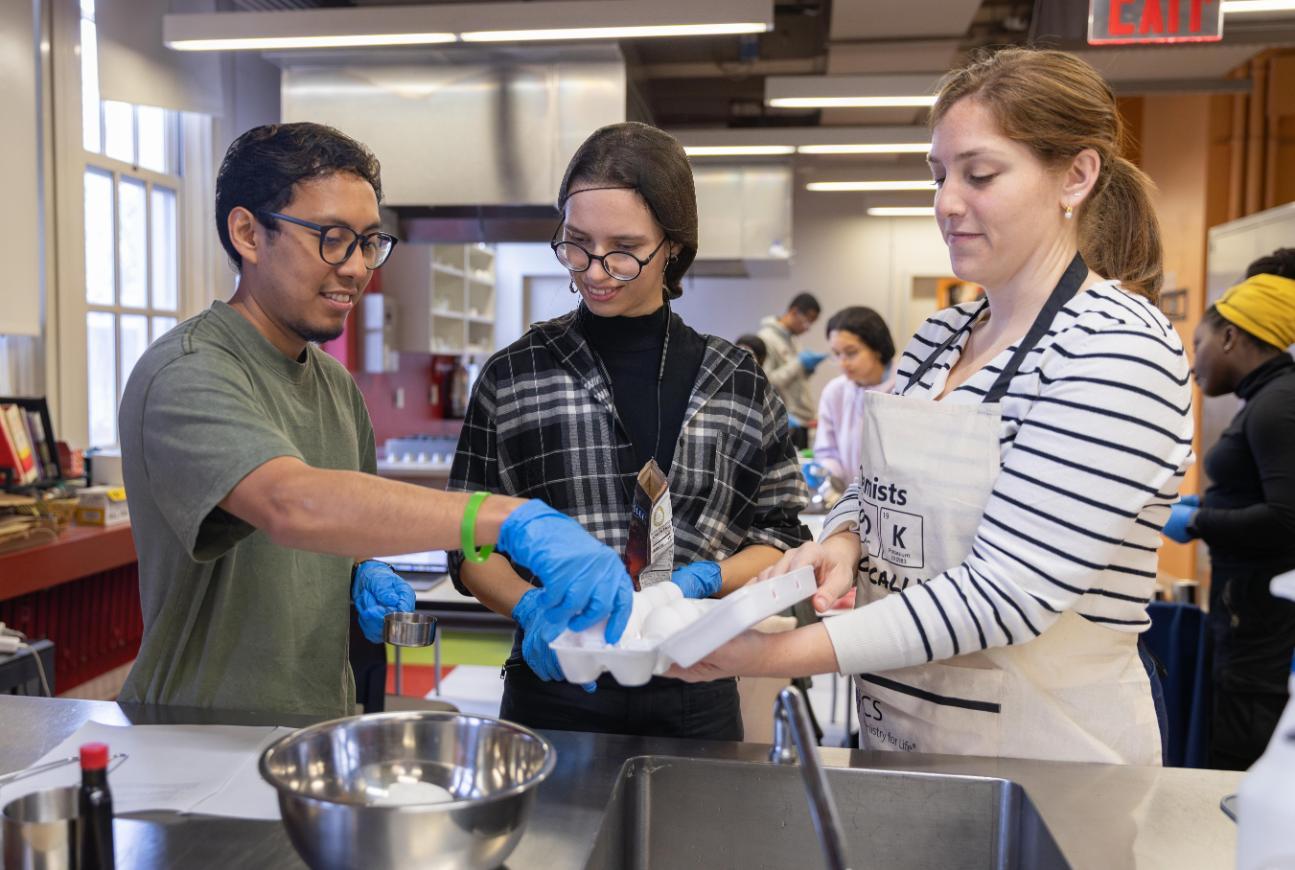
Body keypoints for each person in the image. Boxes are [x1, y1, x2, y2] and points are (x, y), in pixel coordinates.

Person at [670, 47, 1194, 767]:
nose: (946, 202)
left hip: (1048, 761)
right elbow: (877, 488)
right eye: (938, 175)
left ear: (1074, 175)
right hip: (903, 734)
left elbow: (1007, 592)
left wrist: (768, 653)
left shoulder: (1115, 346)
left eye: (979, 175)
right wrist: (845, 541)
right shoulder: (942, 336)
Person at [117, 123, 636, 718]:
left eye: (369, 242)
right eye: (333, 238)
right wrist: (504, 518)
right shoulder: (188, 371)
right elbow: (290, 504)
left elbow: (341, 526)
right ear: (247, 233)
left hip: (316, 730)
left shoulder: (335, 386)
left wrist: (367, 569)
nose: (358, 267)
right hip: (196, 741)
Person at [448, 121, 809, 740]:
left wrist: (706, 579)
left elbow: (780, 536)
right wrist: (533, 610)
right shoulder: (517, 373)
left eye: (624, 248)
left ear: (672, 244)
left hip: (698, 686)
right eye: (576, 244)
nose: (595, 270)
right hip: (554, 688)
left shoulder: (736, 380)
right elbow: (465, 541)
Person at [1164, 250, 1295, 770]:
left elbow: (1287, 519)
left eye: (1197, 343)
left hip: (1260, 629)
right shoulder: (1268, 397)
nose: (1194, 362)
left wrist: (1197, 521)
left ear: (1231, 337)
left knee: (1240, 760)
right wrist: (1211, 503)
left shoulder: (1277, 402)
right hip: (1248, 614)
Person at [812, 306, 896, 486]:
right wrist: (827, 473)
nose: (842, 363)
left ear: (877, 348)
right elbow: (827, 452)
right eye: (836, 354)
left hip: (896, 502)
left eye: (851, 353)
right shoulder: (835, 392)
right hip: (848, 501)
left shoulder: (906, 389)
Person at [757, 293, 826, 427]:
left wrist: (808, 369)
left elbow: (795, 380)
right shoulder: (766, 338)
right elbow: (767, 382)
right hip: (785, 421)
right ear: (794, 312)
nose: (808, 328)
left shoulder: (793, 340)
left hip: (803, 418)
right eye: (807, 321)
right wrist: (799, 363)